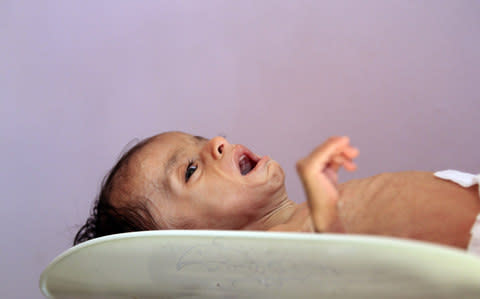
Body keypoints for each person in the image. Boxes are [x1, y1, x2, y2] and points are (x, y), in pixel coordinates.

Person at [74, 131, 480, 254]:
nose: (216, 141)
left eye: (200, 138)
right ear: (186, 242)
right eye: (191, 169)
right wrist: (326, 219)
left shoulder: (294, 223)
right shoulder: (277, 251)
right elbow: (344, 276)